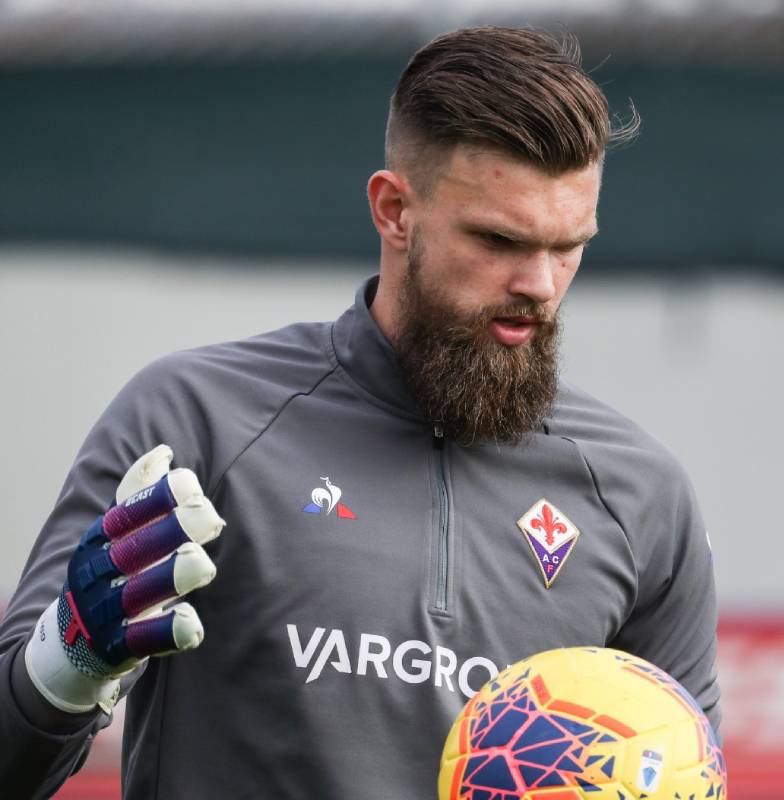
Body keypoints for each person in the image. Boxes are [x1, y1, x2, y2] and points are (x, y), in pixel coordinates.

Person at [0, 26, 721, 799]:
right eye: (499, 240)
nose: (540, 285)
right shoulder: (198, 419)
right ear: (394, 210)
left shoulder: (641, 496)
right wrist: (66, 664)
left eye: (568, 246)